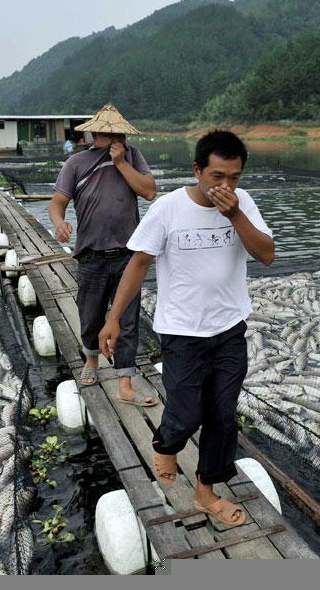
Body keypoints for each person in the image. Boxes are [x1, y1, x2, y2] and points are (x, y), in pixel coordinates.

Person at [98, 130, 274, 527]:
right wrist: (113, 318)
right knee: (185, 412)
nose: (226, 186)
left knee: (223, 415)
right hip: (182, 333)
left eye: (234, 177)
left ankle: (206, 493)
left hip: (229, 329)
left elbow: (265, 254)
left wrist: (234, 214)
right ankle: (166, 442)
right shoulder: (168, 209)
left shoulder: (242, 204)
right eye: (217, 176)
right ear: (197, 170)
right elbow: (138, 264)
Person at [49, 103, 157, 405]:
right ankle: (92, 360)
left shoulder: (133, 157)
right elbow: (58, 202)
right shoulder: (76, 163)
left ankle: (125, 381)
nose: (114, 139)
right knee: (91, 314)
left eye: (118, 134)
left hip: (128, 255)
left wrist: (122, 163)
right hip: (91, 254)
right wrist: (59, 223)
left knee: (127, 319)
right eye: (108, 134)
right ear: (95, 133)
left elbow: (149, 191)